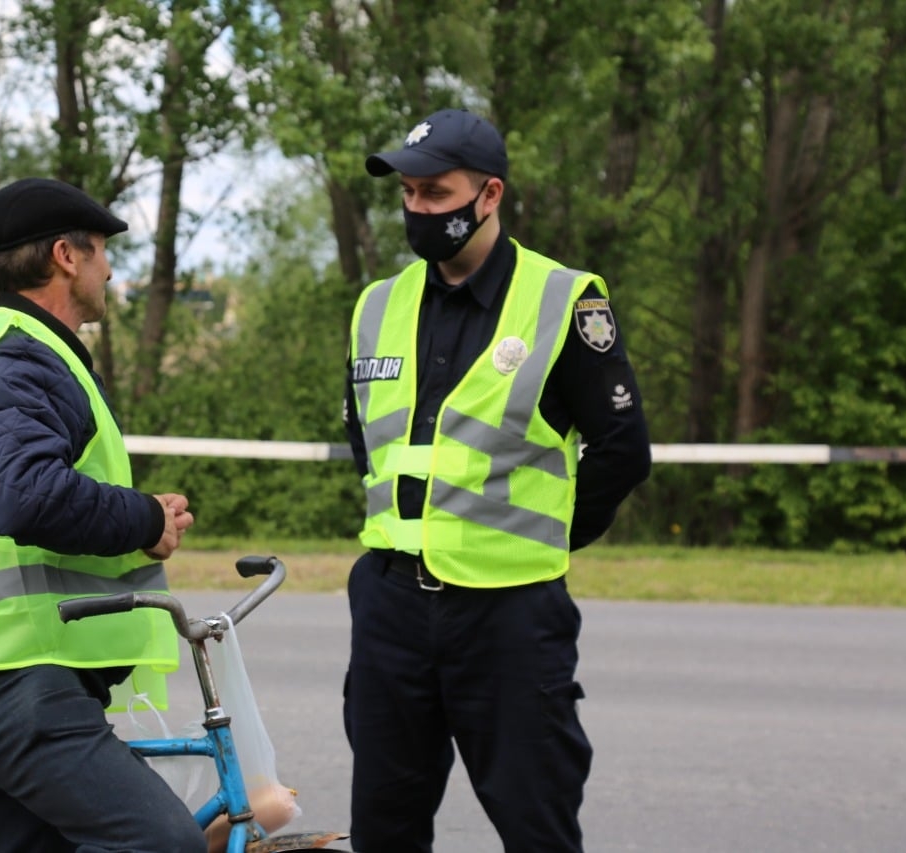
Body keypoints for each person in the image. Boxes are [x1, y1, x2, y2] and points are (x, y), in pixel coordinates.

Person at [342, 108, 652, 853]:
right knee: (384, 831)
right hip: (390, 611)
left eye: (436, 194)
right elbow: (366, 441)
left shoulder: (562, 300)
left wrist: (546, 533)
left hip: (509, 618)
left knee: (536, 827)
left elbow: (621, 449)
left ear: (490, 195)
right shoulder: (376, 305)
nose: (418, 210)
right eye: (408, 194)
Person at [0, 177, 206, 853]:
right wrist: (143, 518)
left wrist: (140, 519)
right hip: (4, 677)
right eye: (101, 253)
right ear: (66, 256)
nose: (109, 269)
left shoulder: (31, 353)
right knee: (164, 842)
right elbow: (25, 494)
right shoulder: (16, 360)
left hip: (20, 669)